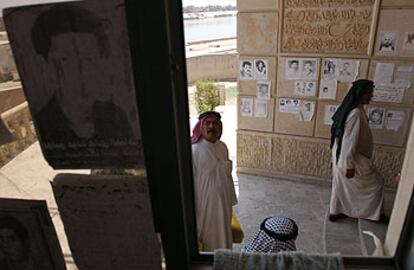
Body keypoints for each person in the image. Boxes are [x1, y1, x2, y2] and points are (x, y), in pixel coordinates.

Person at [30, 5, 136, 144]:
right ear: (47, 67)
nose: (80, 72)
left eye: (89, 59)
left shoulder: (115, 116)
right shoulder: (45, 123)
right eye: (65, 60)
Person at [329, 79, 386, 222]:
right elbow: (349, 141)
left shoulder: (356, 109)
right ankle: (374, 214)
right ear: (361, 94)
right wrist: (349, 165)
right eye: (369, 93)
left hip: (342, 154)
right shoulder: (355, 113)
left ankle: (335, 211)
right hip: (349, 156)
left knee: (341, 185)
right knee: (376, 183)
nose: (371, 96)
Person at [191, 111, 237, 251]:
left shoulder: (222, 147)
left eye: (215, 123)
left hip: (223, 205)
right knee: (208, 243)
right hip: (205, 209)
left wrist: (230, 201)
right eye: (208, 123)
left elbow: (227, 177)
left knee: (224, 237)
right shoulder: (194, 151)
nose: (212, 126)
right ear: (201, 126)